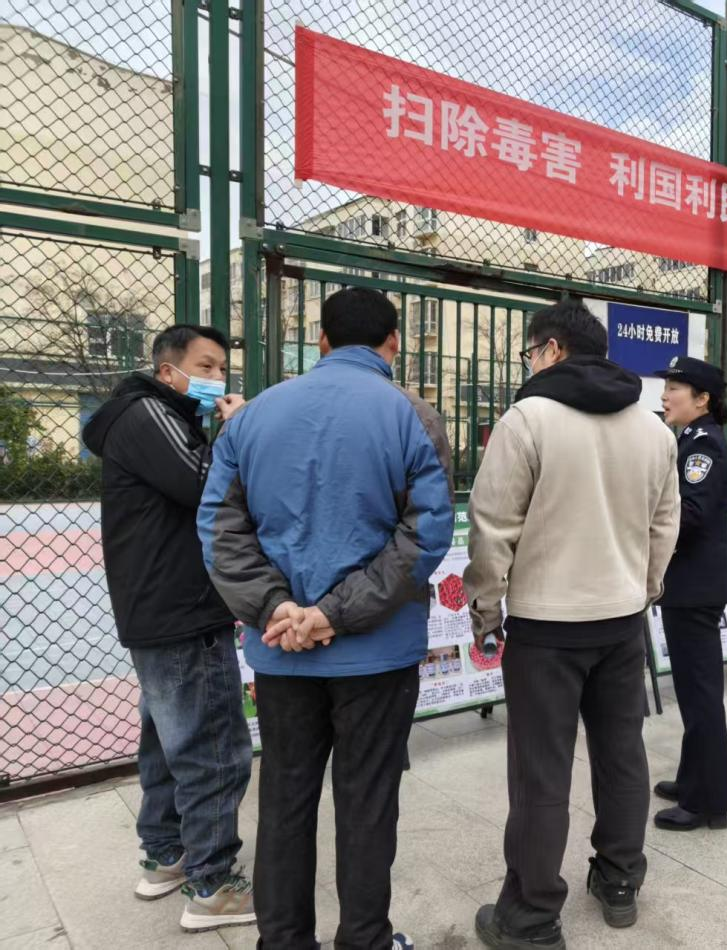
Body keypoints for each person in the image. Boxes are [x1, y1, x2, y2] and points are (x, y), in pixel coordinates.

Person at [199, 288, 453, 950]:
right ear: (393, 342)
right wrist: (335, 614)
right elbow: (426, 534)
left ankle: (283, 941)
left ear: (320, 341)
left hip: (280, 647)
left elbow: (221, 529)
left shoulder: (252, 417)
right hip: (378, 651)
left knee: (285, 798)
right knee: (368, 801)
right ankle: (365, 940)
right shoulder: (414, 415)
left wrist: (277, 608)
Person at [462, 298, 679, 949]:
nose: (530, 363)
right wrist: (640, 589)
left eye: (531, 352)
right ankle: (619, 879)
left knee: (541, 771)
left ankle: (530, 916)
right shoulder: (653, 429)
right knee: (622, 754)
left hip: (546, 627)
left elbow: (491, 526)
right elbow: (663, 526)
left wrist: (486, 608)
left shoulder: (528, 419)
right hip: (621, 621)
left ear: (552, 349)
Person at [83, 325, 256, 932]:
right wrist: (238, 431)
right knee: (212, 748)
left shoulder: (153, 415)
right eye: (204, 366)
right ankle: (213, 884)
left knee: (166, 740)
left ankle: (167, 855)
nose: (217, 378)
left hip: (160, 607)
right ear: (166, 371)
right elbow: (205, 483)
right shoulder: (149, 413)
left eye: (221, 368)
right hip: (181, 609)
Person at [649, 356, 727, 832]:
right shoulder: (689, 438)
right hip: (689, 583)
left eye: (675, 388)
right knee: (692, 690)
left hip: (693, 586)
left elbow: (692, 514)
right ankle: (692, 779)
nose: (665, 395)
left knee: (700, 694)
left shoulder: (704, 445)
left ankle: (707, 802)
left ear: (702, 399)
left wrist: (646, 521)